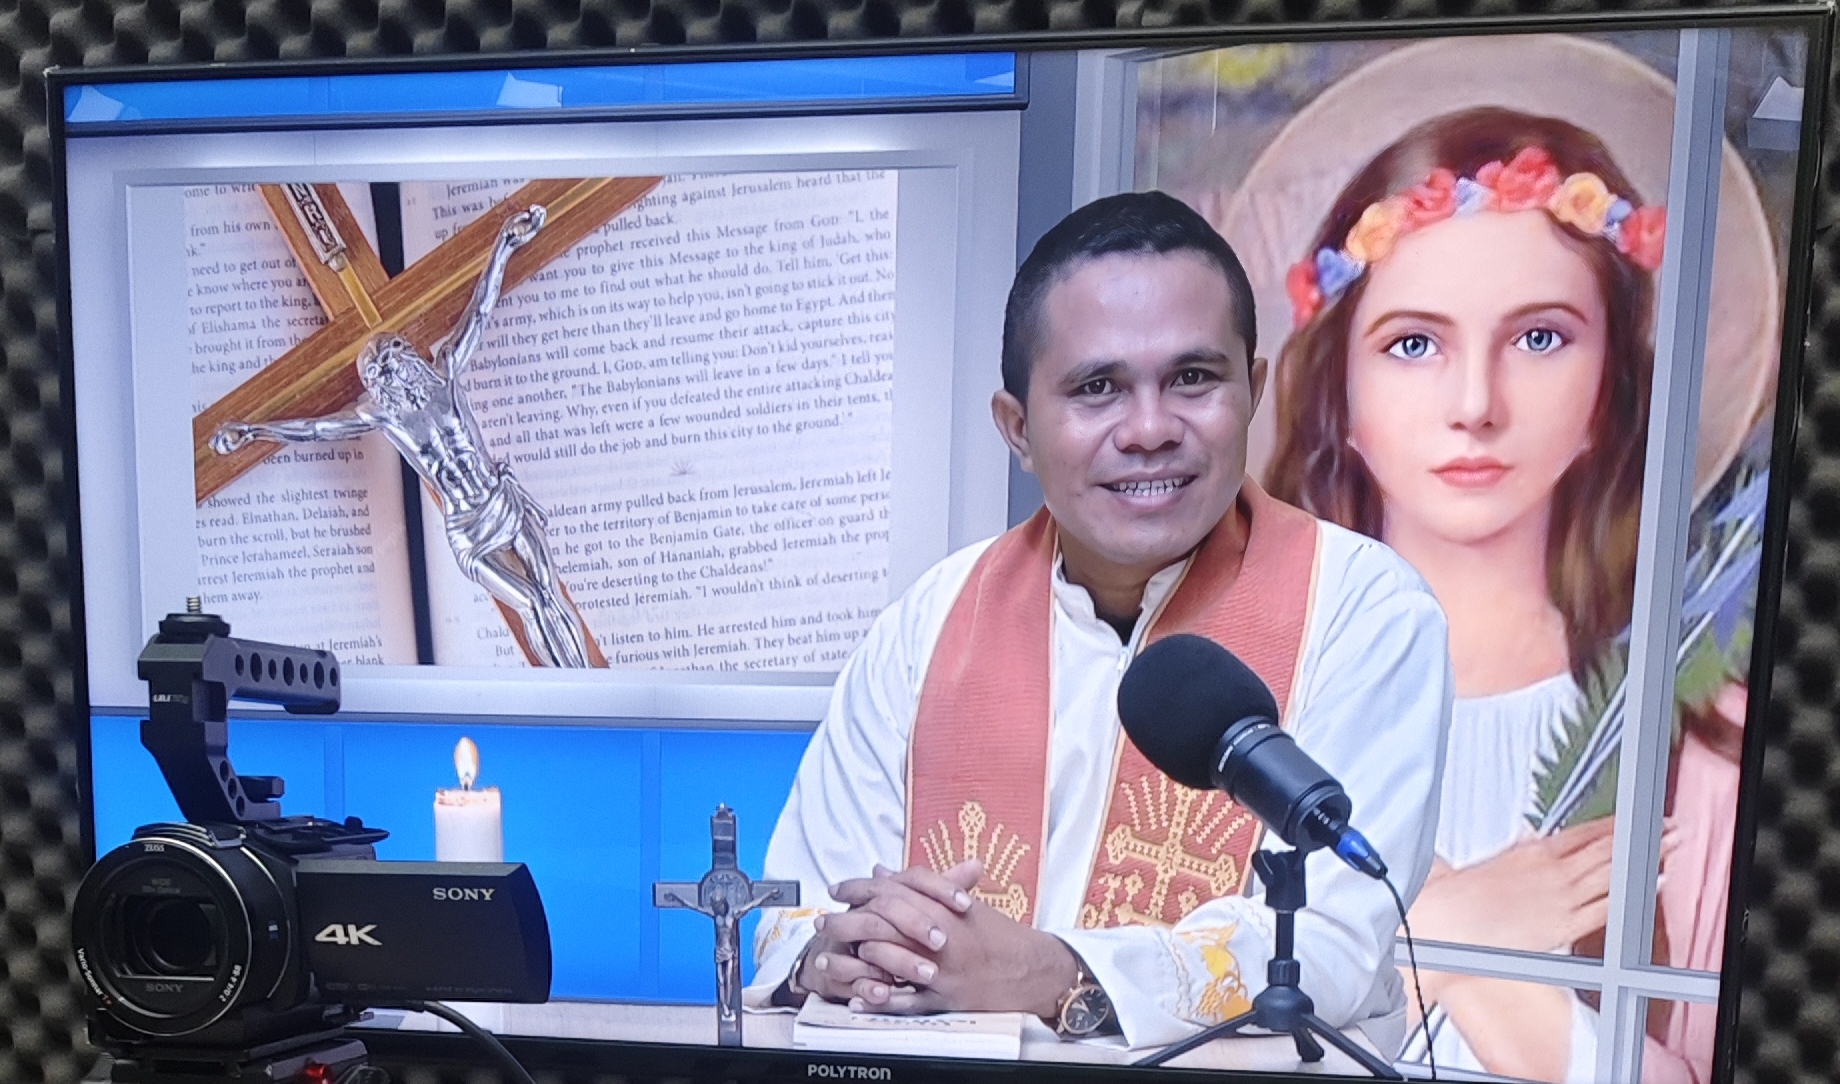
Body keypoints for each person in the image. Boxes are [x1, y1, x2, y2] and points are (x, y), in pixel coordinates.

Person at [746, 191, 1454, 1057]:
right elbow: (793, 910)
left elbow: (1329, 945)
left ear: (1254, 390)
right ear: (1017, 428)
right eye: (1097, 388)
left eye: (1193, 379)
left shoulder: (1363, 611)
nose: (1151, 429)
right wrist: (840, 955)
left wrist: (1047, 973)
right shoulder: (927, 626)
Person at [1264, 107, 1677, 1083]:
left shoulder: (1693, 719)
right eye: (1415, 344)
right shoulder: (1242, 697)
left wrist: (1440, 944)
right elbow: (1182, 1035)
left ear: (1610, 385)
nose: (1476, 405)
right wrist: (1460, 925)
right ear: (1339, 391)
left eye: (1538, 337)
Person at [209, 206, 596, 669]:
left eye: (391, 358)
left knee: (550, 594)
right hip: (467, 528)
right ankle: (569, 684)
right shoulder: (385, 417)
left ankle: (586, 681)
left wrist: (505, 245)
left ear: (408, 353)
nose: (389, 371)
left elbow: (480, 312)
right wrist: (253, 431)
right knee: (529, 602)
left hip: (498, 499)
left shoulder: (446, 372)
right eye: (378, 372)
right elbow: (316, 430)